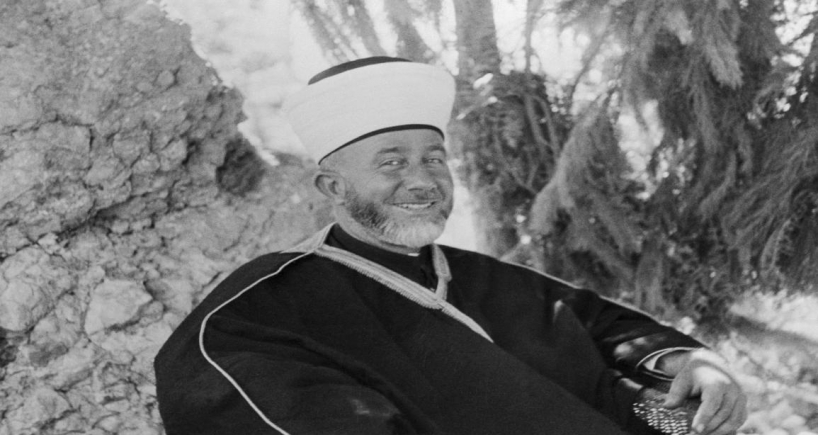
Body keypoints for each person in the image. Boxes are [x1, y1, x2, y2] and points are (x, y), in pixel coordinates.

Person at [154, 57, 747, 435]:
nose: (422, 181)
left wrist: (692, 362)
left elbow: (600, 324)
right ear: (332, 187)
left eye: (433, 159)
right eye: (392, 162)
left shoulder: (479, 275)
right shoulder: (262, 305)